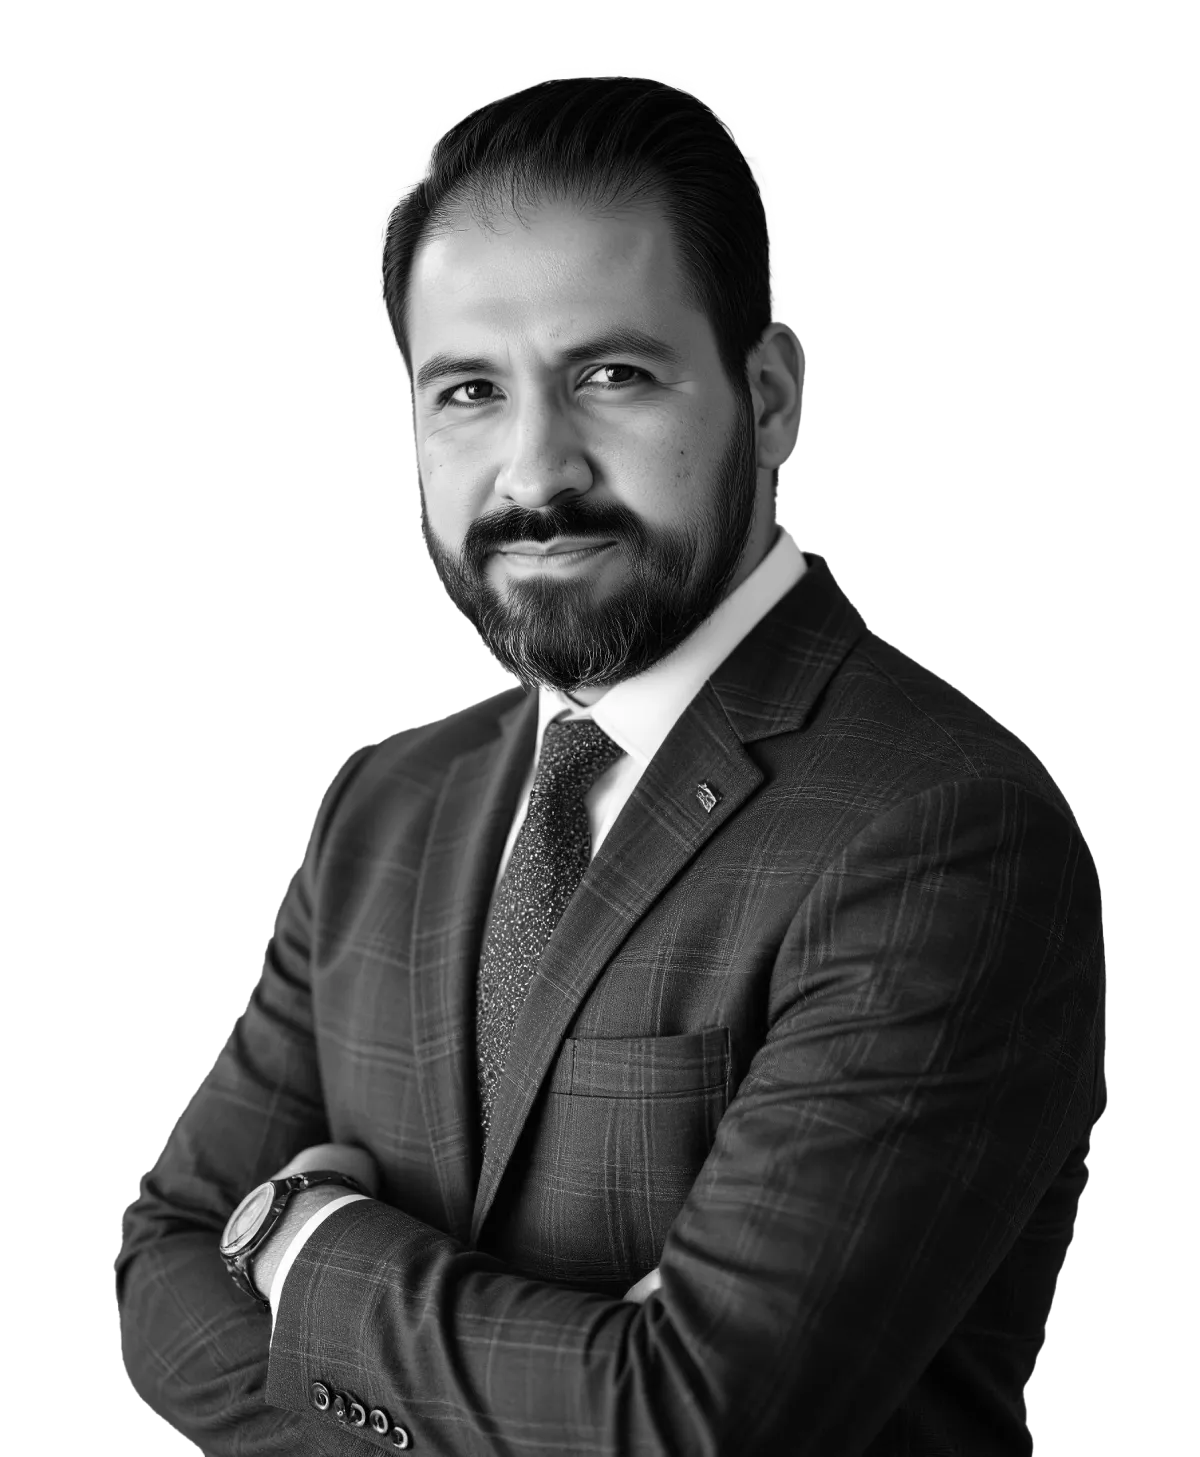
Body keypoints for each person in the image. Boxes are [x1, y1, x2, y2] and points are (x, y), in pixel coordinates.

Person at [116, 68, 1108, 1457]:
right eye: (470, 391)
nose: (535, 472)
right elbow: (161, 1273)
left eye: (611, 376)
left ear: (772, 396)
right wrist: (558, 1393)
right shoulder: (382, 810)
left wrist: (301, 1241)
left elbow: (688, 1425)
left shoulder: (939, 828)